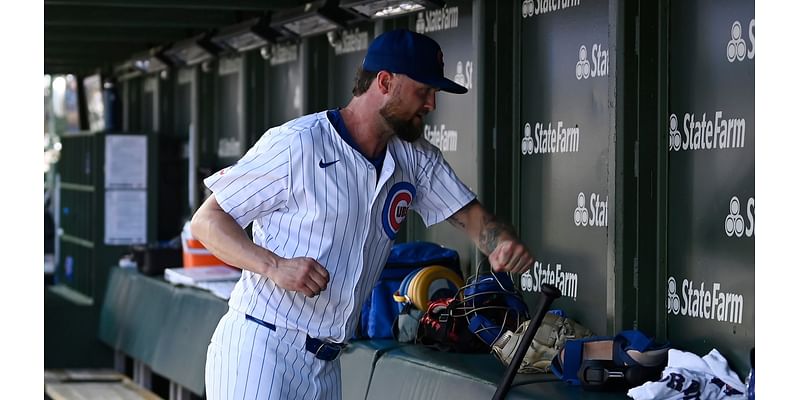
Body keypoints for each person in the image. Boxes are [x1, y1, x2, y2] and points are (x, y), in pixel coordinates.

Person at [191, 28, 535, 400]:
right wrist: (274, 266)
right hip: (262, 347)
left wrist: (500, 243)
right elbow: (207, 222)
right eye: (424, 91)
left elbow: (471, 218)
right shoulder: (298, 143)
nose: (431, 104)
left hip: (326, 362)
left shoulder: (413, 156)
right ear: (385, 82)